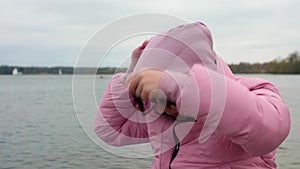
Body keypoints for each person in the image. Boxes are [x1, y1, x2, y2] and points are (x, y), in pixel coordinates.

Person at [94, 22, 291, 169]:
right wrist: (131, 77)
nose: (162, 107)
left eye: (170, 97)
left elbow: (270, 132)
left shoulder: (252, 92)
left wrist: (185, 89)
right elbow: (111, 131)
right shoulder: (161, 111)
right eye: (155, 98)